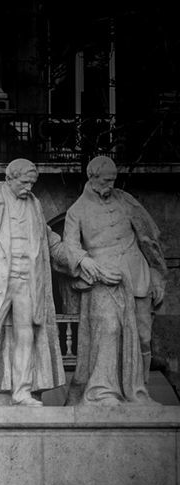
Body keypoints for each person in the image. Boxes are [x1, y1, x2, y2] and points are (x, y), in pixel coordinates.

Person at [0, 158, 102, 408]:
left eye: (32, 183)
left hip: (28, 281)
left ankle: (22, 392)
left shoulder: (35, 205)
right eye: (24, 182)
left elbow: (50, 241)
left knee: (26, 337)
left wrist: (79, 260)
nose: (29, 187)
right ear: (9, 178)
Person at [60, 156, 166, 405]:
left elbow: (149, 238)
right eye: (107, 180)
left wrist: (158, 275)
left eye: (113, 179)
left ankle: (140, 394)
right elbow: (70, 249)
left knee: (143, 337)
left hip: (137, 277)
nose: (111, 184)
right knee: (109, 330)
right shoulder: (77, 211)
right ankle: (103, 390)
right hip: (103, 281)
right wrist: (89, 264)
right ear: (92, 177)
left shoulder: (126, 200)